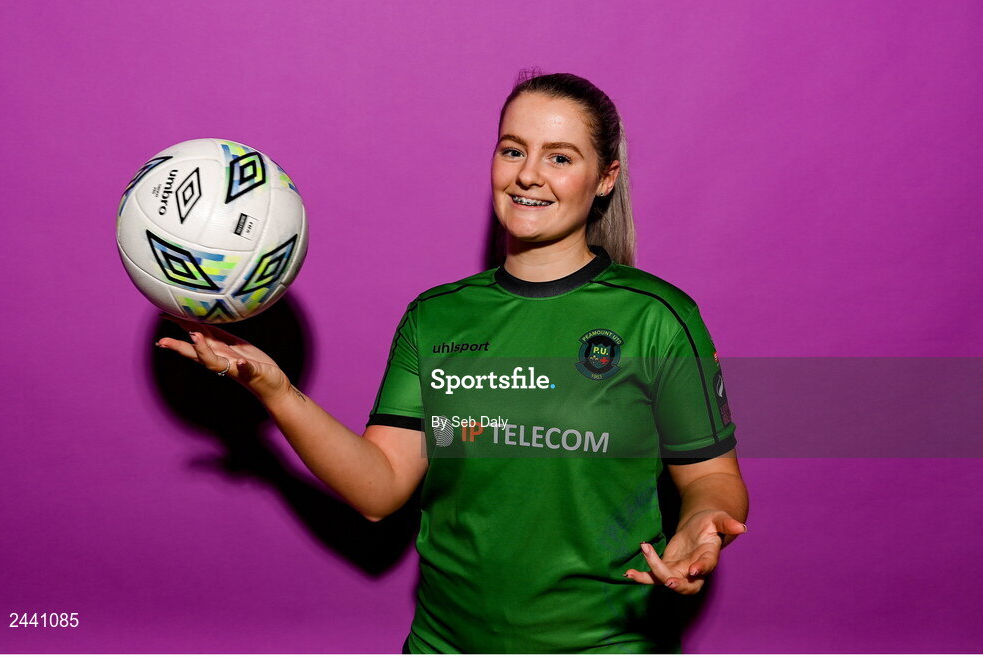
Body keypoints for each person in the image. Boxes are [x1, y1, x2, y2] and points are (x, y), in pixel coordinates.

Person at [156, 72, 749, 653]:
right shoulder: (435, 318)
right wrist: (276, 390)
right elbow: (380, 488)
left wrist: (703, 522)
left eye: (560, 158)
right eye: (513, 149)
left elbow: (712, 478)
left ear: (605, 178)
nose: (528, 174)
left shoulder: (657, 316)